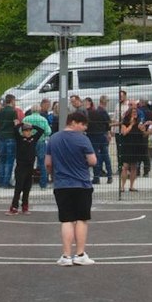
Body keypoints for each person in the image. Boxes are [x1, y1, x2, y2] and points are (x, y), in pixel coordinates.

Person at [46, 110, 99, 265]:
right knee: (82, 219)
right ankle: (80, 254)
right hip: (82, 183)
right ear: (74, 122)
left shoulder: (53, 139)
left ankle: (66, 256)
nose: (84, 128)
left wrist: (53, 174)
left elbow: (48, 163)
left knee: (66, 220)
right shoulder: (83, 140)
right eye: (82, 124)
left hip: (62, 184)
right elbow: (93, 161)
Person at [8, 113, 41, 215]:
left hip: (30, 166)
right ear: (23, 132)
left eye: (29, 130)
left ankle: (25, 206)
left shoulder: (33, 139)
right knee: (19, 187)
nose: (28, 132)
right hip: (21, 166)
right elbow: (15, 130)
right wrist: (21, 124)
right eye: (26, 131)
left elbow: (41, 131)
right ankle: (14, 207)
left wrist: (31, 125)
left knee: (27, 187)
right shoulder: (20, 139)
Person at [116, 101, 146, 194]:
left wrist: (142, 128)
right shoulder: (125, 122)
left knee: (134, 166)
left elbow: (144, 133)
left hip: (136, 144)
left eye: (136, 113)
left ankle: (132, 186)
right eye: (133, 113)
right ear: (129, 113)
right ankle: (122, 186)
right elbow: (124, 132)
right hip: (127, 145)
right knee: (125, 166)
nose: (135, 114)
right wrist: (131, 125)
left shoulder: (139, 122)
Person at [0, 95, 20, 187]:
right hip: (11, 137)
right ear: (12, 101)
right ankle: (6, 182)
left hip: (1, 137)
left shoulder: (0, 111)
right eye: (14, 100)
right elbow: (16, 124)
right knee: (10, 161)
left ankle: (1, 181)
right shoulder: (13, 112)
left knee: (2, 160)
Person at [87, 95, 114, 183]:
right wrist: (108, 132)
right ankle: (109, 176)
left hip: (93, 136)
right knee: (106, 155)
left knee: (96, 156)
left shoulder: (92, 112)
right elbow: (108, 124)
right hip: (102, 135)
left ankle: (96, 177)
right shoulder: (104, 112)